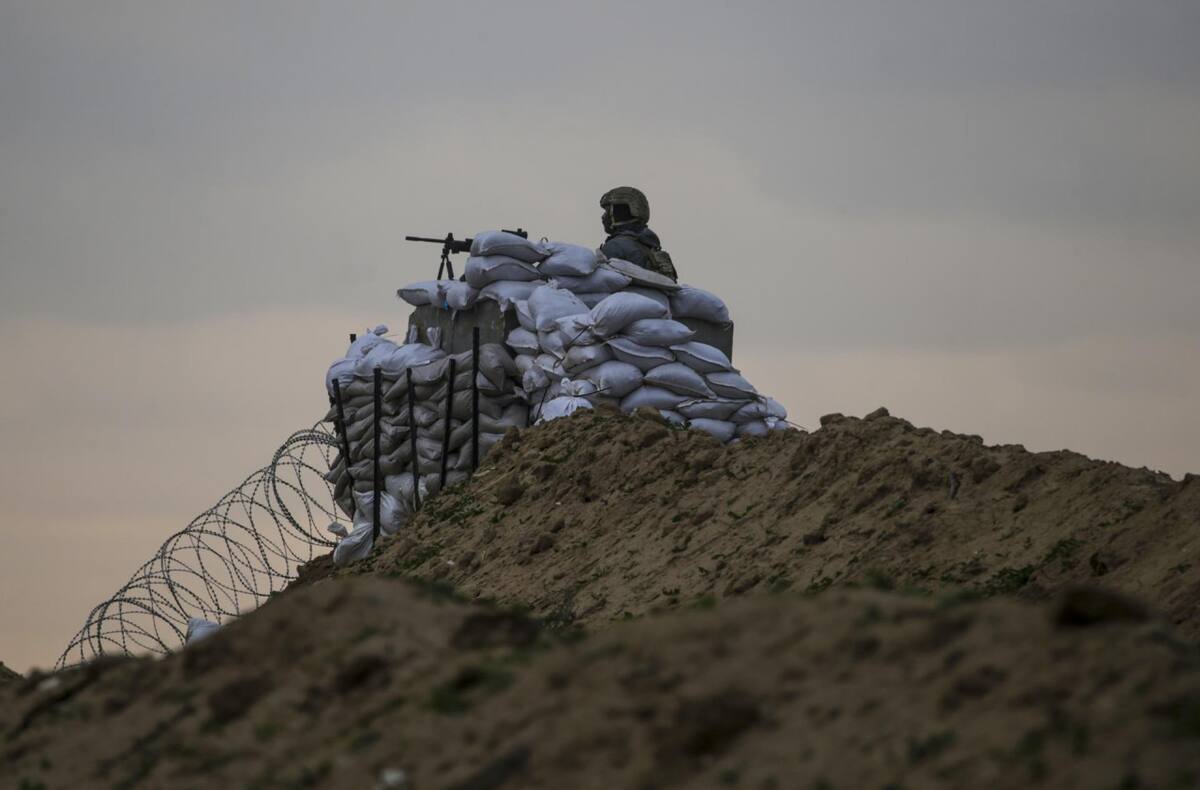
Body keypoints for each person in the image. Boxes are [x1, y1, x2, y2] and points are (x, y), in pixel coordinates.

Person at [598, 186, 678, 281]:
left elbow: (603, 282)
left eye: (607, 211)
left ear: (617, 213)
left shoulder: (616, 246)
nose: (603, 217)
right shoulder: (650, 245)